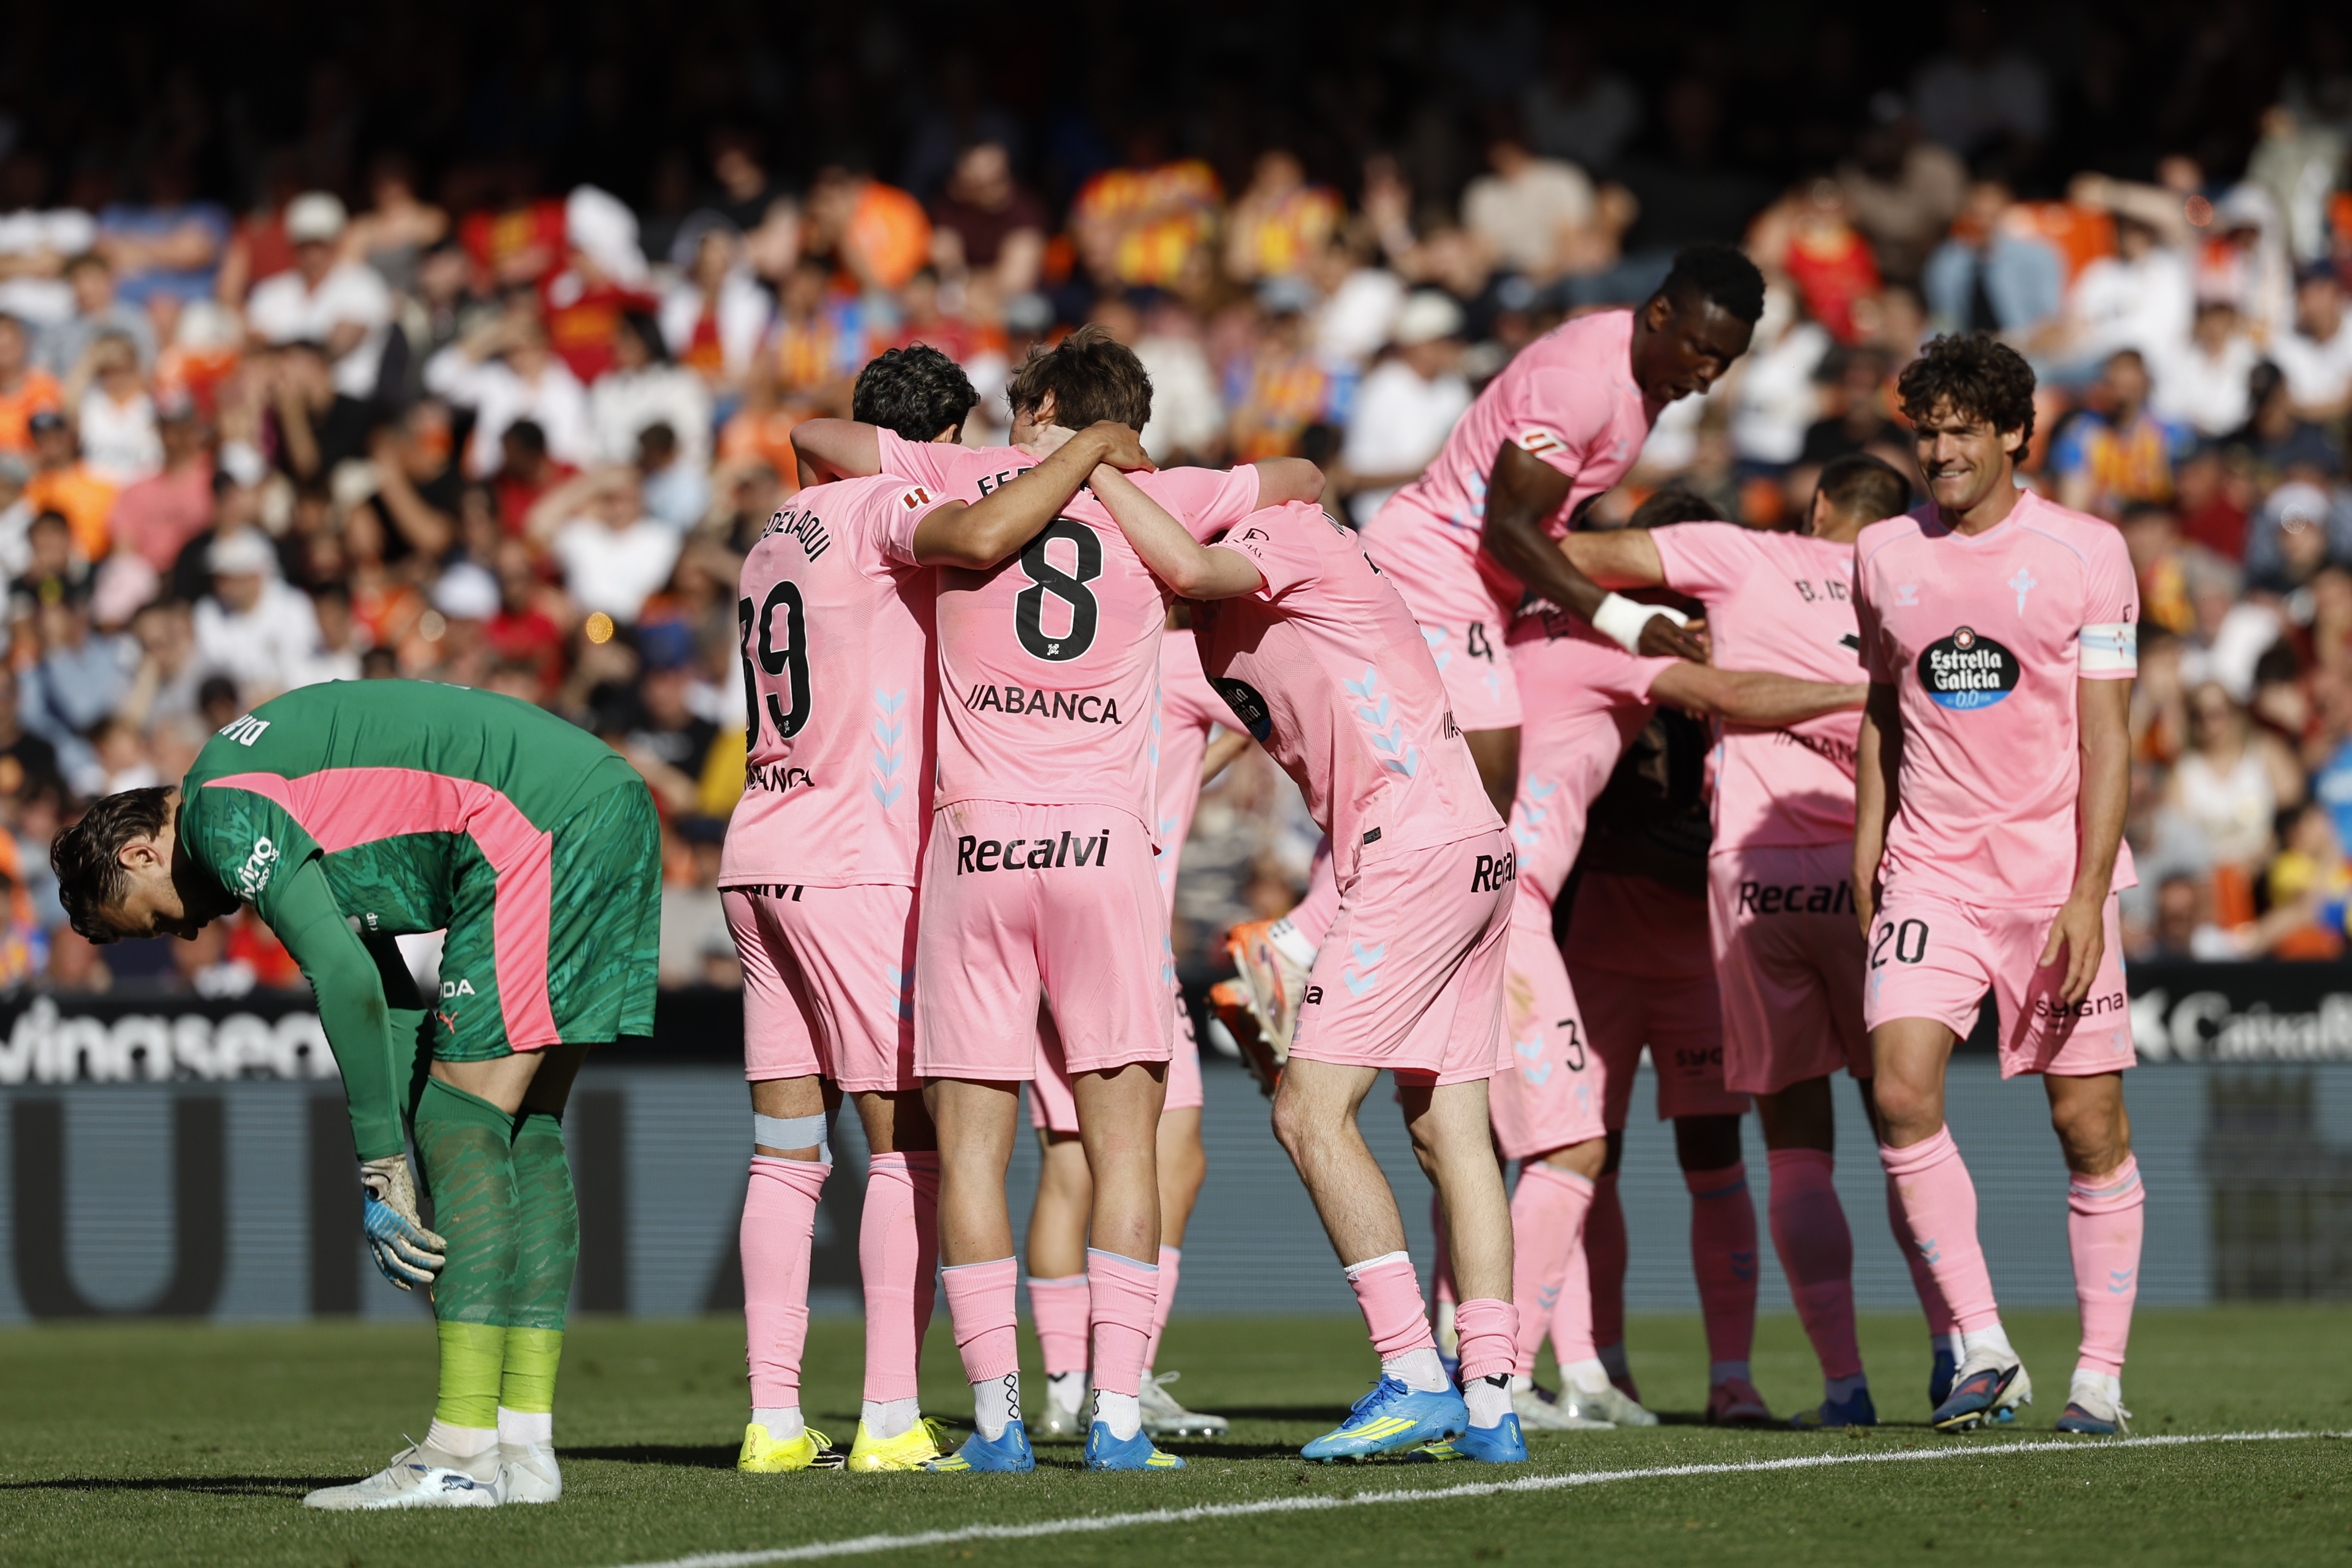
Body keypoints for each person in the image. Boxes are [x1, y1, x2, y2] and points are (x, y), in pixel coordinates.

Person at [795, 328, 1310, 1474]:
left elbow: (819, 440)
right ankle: (1118, 1418)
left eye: (1019, 405)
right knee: (1125, 1144)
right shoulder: (1160, 490)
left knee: (975, 1154)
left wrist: (1053, 462)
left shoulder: (959, 474)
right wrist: (1108, 464)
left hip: (972, 848)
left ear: (1036, 406)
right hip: (1101, 850)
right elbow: (1306, 480)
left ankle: (995, 1422)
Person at [50, 680, 662, 1506]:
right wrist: (409, 1131)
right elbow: (385, 997)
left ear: (137, 855)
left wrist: (383, 1166)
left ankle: (459, 1454)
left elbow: (342, 979)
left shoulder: (218, 814)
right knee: (522, 1126)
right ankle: (523, 1446)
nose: (186, 932)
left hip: (535, 825)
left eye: (155, 920)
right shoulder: (254, 794)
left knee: (464, 1115)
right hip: (601, 798)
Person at [725, 347, 1148, 1475]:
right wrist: (1089, 454)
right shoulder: (890, 507)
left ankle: (772, 1420)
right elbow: (966, 535)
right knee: (910, 1151)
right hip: (858, 864)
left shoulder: (779, 526)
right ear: (944, 437)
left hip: (756, 849)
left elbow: (819, 442)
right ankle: (889, 1414)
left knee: (782, 1154)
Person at [1086, 486, 1529, 1465]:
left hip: (1408, 852)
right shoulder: (1212, 630)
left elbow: (1228, 535)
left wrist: (1102, 465)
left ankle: (1414, 1372)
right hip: (1472, 847)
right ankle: (1492, 1398)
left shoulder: (1269, 534)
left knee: (1307, 1112)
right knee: (1449, 1128)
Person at [1560, 455, 1965, 1424]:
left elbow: (1565, 550)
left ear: (1817, 506)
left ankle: (1840, 1382)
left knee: (1790, 1148)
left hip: (1760, 876)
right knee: (1907, 1133)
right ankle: (1962, 1346)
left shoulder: (1742, 555)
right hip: (1886, 878)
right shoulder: (1921, 577)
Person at [1483, 490, 1867, 1433]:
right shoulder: (1622, 657)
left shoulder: (1683, 654)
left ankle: (1724, 1375)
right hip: (1584, 947)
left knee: (1699, 1158)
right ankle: (1583, 1365)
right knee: (1574, 1157)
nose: (1694, 616)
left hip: (1693, 947)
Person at [1853, 333, 2145, 1436]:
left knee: (2087, 1122)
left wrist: (2083, 892)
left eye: (1961, 430)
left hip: (2051, 884)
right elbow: (1885, 705)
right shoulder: (1882, 552)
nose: (1939, 450)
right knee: (1897, 1088)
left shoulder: (2087, 551)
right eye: (1925, 430)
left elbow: (2106, 740)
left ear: (2016, 433)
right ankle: (1982, 1344)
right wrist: (1866, 843)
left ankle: (2100, 1380)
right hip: (1931, 870)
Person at [1354, 243, 1764, 821]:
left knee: (1417, 796)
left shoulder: (1637, 369)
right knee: (1483, 796)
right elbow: (1507, 531)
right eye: (1700, 351)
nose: (1705, 377)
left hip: (1480, 578)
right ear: (1660, 314)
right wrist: (1622, 618)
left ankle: (1323, 914)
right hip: (1435, 564)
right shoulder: (1581, 383)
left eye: (1723, 363)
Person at [1020, 613, 1244, 1444]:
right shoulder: (1187, 654)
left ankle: (1057, 1386)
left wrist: (1192, 769)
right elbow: (1280, 707)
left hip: (1035, 908)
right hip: (1123, 930)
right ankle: (1129, 1374)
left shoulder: (1074, 647)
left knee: (1067, 1163)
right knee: (1170, 1158)